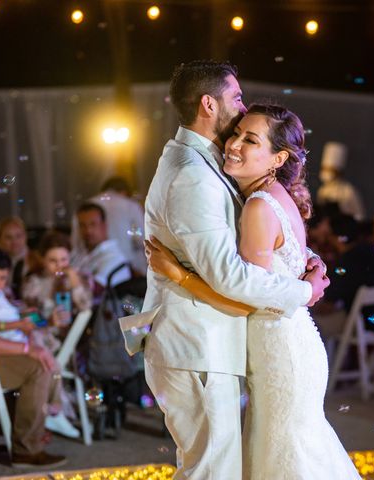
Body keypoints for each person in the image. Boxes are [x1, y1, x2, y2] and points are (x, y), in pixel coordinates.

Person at [121, 62, 331, 480]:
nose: (240, 108)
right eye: (235, 98)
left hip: (213, 341)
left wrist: (304, 263)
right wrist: (302, 293)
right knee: (212, 472)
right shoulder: (194, 175)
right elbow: (230, 276)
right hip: (196, 344)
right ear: (208, 103)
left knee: (219, 467)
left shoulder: (203, 163)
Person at [0, 248, 67, 467]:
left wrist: (38, 320)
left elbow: (11, 317)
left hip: (3, 354)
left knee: (46, 361)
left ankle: (47, 417)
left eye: (2, 278)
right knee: (39, 367)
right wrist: (27, 347)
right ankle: (27, 448)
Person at [22, 231, 92, 350]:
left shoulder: (77, 278)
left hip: (74, 342)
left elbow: (86, 307)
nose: (59, 265)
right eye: (53, 260)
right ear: (42, 259)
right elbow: (28, 317)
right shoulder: (33, 283)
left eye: (64, 259)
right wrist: (48, 322)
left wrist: (75, 283)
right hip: (43, 341)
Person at [70, 176, 147, 276]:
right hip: (130, 269)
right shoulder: (131, 205)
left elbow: (75, 243)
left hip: (89, 265)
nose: (88, 230)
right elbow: (143, 240)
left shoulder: (85, 206)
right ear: (125, 192)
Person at [70, 203, 131, 303]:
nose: (88, 231)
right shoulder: (79, 254)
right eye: (82, 225)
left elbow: (95, 290)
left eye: (93, 224)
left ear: (104, 226)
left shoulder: (114, 257)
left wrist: (70, 276)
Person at [316, 141, 366, 220]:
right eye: (324, 168)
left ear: (338, 172)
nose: (326, 172)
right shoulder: (322, 190)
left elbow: (360, 215)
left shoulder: (349, 191)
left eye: (330, 169)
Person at [0, 216, 40, 299]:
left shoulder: (37, 260)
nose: (14, 241)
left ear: (25, 236)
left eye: (18, 236)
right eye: (8, 237)